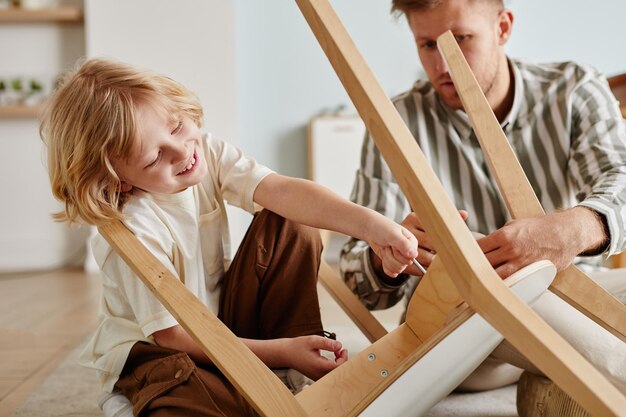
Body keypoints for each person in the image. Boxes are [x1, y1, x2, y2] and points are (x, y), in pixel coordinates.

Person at [40, 58, 418, 417]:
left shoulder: (208, 152)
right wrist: (280, 352)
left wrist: (373, 226)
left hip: (222, 327)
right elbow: (172, 337)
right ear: (118, 180)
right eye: (154, 158)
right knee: (209, 400)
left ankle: (286, 370)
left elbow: (284, 191)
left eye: (175, 127)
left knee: (293, 218)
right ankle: (132, 400)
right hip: (162, 352)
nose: (182, 151)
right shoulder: (129, 231)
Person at [340, 0, 626, 395]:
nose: (443, 64)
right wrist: (383, 255)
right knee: (470, 263)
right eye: (426, 45)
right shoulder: (398, 121)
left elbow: (622, 178)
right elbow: (354, 272)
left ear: (503, 27)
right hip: (467, 330)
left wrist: (572, 229)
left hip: (571, 293)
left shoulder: (574, 88)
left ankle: (559, 383)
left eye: (460, 39)